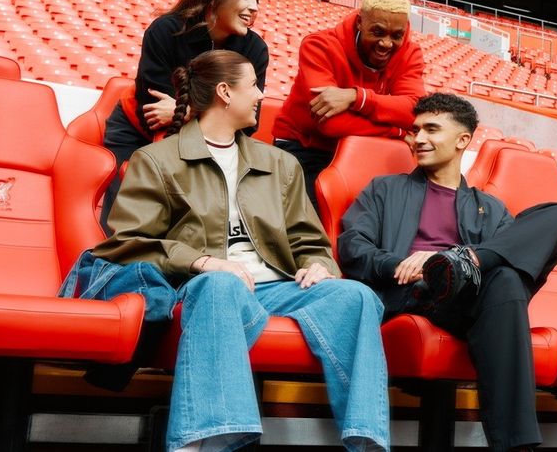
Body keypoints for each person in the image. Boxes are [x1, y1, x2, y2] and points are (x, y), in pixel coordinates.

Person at [84, 50, 389, 452]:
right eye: (253, 86)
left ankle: (368, 442)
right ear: (225, 93)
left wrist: (318, 264)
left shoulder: (280, 164)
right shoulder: (156, 159)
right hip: (199, 286)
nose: (262, 94)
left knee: (357, 296)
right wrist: (202, 260)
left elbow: (308, 240)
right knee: (220, 286)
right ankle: (210, 440)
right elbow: (129, 240)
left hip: (276, 287)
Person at [337, 93, 557, 452]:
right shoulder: (384, 189)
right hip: (413, 295)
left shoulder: (489, 208)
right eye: (415, 130)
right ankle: (516, 444)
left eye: (432, 129)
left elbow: (510, 264)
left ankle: (465, 261)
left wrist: (466, 259)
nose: (418, 139)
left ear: (463, 140)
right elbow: (353, 247)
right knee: (504, 281)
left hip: (471, 298)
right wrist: (402, 264)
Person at [100, 0, 269, 232]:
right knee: (126, 215)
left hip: (205, 140)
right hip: (137, 130)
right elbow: (155, 112)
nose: (254, 7)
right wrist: (214, 114)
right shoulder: (165, 30)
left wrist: (188, 110)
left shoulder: (255, 50)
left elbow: (248, 123)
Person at [272, 0, 425, 208]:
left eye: (396, 35)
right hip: (305, 147)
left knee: (390, 213)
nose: (386, 43)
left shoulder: (410, 52)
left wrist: (357, 98)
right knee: (309, 223)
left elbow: (416, 110)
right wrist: (397, 131)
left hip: (364, 148)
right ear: (360, 21)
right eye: (378, 32)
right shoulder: (319, 46)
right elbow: (331, 124)